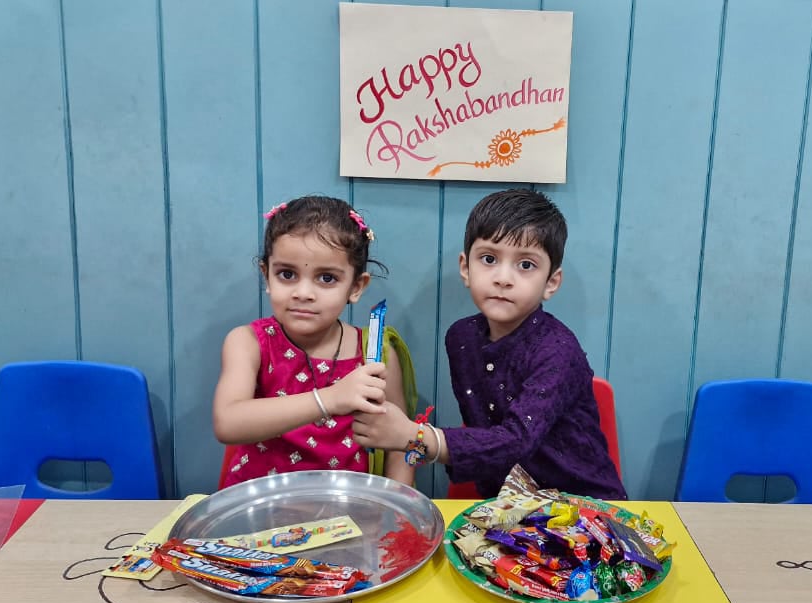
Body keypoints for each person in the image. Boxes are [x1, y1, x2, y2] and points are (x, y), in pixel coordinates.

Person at [352, 189, 626, 500]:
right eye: (489, 259)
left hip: (583, 506)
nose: (503, 278)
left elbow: (516, 441)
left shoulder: (558, 350)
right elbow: (484, 432)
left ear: (551, 282)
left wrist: (415, 436)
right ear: (465, 268)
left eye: (526, 265)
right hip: (505, 506)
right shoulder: (462, 339)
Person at [213, 196, 416, 488]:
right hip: (264, 505)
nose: (303, 293)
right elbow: (227, 422)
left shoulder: (376, 353)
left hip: (349, 506)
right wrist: (330, 398)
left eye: (327, 278)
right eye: (287, 274)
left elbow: (399, 444)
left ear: (356, 286)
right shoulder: (248, 343)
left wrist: (398, 506)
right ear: (267, 276)